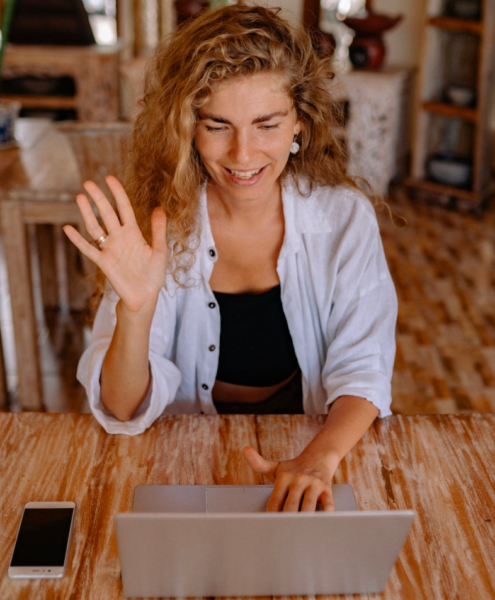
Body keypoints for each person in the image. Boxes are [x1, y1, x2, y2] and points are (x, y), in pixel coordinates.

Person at [64, 3, 397, 513]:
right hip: (179, 459)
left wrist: (318, 459)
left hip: (311, 444)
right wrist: (136, 311)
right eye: (218, 125)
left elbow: (364, 368)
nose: (243, 155)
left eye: (267, 125)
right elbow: (122, 407)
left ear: (299, 125)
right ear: (189, 130)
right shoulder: (160, 226)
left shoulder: (344, 220)